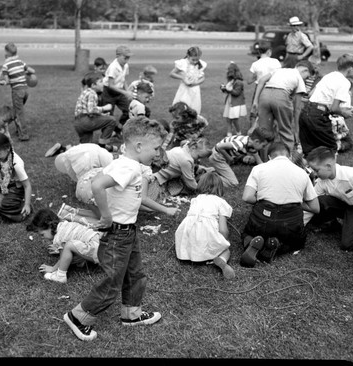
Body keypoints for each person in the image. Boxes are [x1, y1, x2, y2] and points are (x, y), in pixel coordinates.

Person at [63, 117, 166, 341]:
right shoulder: (127, 166)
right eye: (156, 149)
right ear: (139, 146)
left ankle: (132, 314)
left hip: (128, 231)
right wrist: (107, 215)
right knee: (112, 283)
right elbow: (97, 184)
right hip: (118, 233)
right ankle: (78, 316)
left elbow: (106, 181)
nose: (158, 154)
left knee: (135, 274)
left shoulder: (128, 163)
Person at [240, 142, 319, 267]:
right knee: (297, 242)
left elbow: (247, 197)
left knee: (246, 233)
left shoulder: (259, 168)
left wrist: (262, 198)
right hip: (290, 222)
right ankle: (276, 245)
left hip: (263, 218)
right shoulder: (302, 173)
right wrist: (297, 201)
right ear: (289, 156)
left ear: (269, 157)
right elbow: (315, 207)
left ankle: (249, 241)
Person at [304, 146, 353, 251]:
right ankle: (332, 224)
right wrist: (300, 226)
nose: (314, 174)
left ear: (329, 166)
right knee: (319, 201)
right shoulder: (321, 182)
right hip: (345, 204)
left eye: (316, 170)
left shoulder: (352, 175)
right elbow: (311, 203)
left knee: (348, 244)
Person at [174, 171, 235, 279]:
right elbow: (223, 229)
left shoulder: (196, 200)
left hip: (188, 233)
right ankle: (222, 259)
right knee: (225, 249)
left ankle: (187, 253)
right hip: (206, 233)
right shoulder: (220, 202)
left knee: (193, 239)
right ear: (220, 187)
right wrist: (224, 240)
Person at [299, 53, 353, 157]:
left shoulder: (329, 76)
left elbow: (311, 94)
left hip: (306, 112)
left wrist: (344, 109)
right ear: (350, 69)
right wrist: (344, 113)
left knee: (309, 149)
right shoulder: (344, 82)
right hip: (318, 116)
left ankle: (306, 171)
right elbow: (334, 108)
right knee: (330, 148)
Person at [252, 60, 315, 155]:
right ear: (305, 70)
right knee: (285, 132)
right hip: (281, 97)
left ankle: (265, 161)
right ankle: (288, 160)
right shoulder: (299, 78)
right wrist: (296, 131)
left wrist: (255, 101)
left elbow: (261, 81)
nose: (306, 80)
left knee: (264, 133)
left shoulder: (279, 70)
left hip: (264, 95)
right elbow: (297, 109)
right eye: (307, 77)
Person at [27, 208, 102, 284]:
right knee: (70, 247)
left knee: (68, 246)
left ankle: (60, 276)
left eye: (42, 234)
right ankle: (82, 260)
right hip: (102, 243)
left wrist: (53, 268)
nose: (43, 238)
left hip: (97, 250)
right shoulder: (65, 224)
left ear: (50, 226)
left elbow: (63, 258)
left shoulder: (58, 238)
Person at [146, 137, 214, 202]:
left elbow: (187, 165)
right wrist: (201, 190)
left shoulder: (183, 148)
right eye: (199, 156)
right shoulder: (186, 160)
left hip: (156, 170)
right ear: (193, 148)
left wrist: (203, 168)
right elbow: (190, 182)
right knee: (153, 198)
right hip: (158, 179)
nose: (199, 159)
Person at [0, 133, 32, 222]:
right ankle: (9, 205)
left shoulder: (16, 164)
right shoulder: (0, 157)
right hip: (6, 185)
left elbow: (27, 185)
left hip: (16, 188)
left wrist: (27, 204)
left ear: (8, 148)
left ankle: (21, 211)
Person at [208, 127, 274, 188]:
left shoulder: (252, 145)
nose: (264, 148)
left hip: (221, 156)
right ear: (256, 141)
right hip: (217, 156)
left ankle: (208, 171)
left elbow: (260, 162)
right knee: (233, 183)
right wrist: (229, 158)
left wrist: (269, 173)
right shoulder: (240, 144)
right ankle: (207, 178)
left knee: (225, 172)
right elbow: (219, 147)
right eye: (263, 146)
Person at [0, 42, 36, 142]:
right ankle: (18, 130)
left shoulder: (6, 66)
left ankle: (24, 135)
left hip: (16, 91)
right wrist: (23, 73)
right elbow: (32, 71)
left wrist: (2, 82)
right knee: (17, 110)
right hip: (25, 90)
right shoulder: (20, 62)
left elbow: (7, 81)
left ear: (6, 53)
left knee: (19, 113)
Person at [73, 72, 117, 151]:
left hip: (78, 123)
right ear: (93, 85)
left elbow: (89, 111)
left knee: (86, 148)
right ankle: (103, 145)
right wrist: (104, 108)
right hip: (85, 121)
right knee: (112, 120)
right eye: (101, 82)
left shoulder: (85, 92)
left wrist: (102, 115)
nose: (103, 84)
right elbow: (91, 110)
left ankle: (62, 149)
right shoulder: (92, 93)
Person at [246, 41, 282, 130]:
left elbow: (249, 81)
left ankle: (253, 131)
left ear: (259, 52)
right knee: (272, 111)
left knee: (255, 111)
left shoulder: (255, 64)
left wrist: (258, 75)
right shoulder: (276, 62)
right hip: (273, 88)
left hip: (259, 89)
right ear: (269, 51)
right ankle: (272, 131)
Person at [100, 45, 134, 134]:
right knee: (108, 115)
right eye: (125, 58)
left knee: (129, 110)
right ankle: (105, 138)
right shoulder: (113, 67)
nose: (127, 60)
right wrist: (125, 92)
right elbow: (111, 85)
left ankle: (118, 130)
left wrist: (127, 91)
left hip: (119, 91)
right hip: (108, 92)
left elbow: (124, 80)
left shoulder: (126, 65)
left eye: (128, 58)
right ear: (118, 56)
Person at [170, 46, 206, 115]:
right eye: (193, 59)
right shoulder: (183, 63)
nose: (195, 62)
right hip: (184, 90)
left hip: (195, 90)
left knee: (194, 110)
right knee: (182, 110)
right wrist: (183, 78)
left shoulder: (200, 64)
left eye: (197, 60)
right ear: (188, 56)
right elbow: (172, 74)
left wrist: (196, 83)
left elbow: (203, 78)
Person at [220, 62, 247, 137]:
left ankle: (239, 133)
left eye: (229, 71)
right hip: (230, 102)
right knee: (228, 119)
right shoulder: (231, 81)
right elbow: (228, 90)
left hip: (235, 104)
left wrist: (228, 89)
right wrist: (223, 88)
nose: (228, 73)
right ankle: (229, 134)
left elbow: (236, 93)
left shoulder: (239, 82)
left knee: (234, 119)